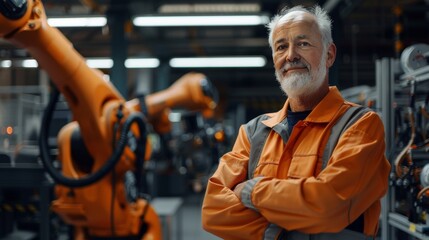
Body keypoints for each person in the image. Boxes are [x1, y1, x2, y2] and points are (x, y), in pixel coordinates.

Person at [201, 4, 391, 240]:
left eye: (303, 44)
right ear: (274, 59)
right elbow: (213, 210)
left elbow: (327, 205)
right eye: (281, 47)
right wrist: (284, 230)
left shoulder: (360, 125)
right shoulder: (253, 133)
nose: (290, 55)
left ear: (329, 55)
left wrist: (251, 191)